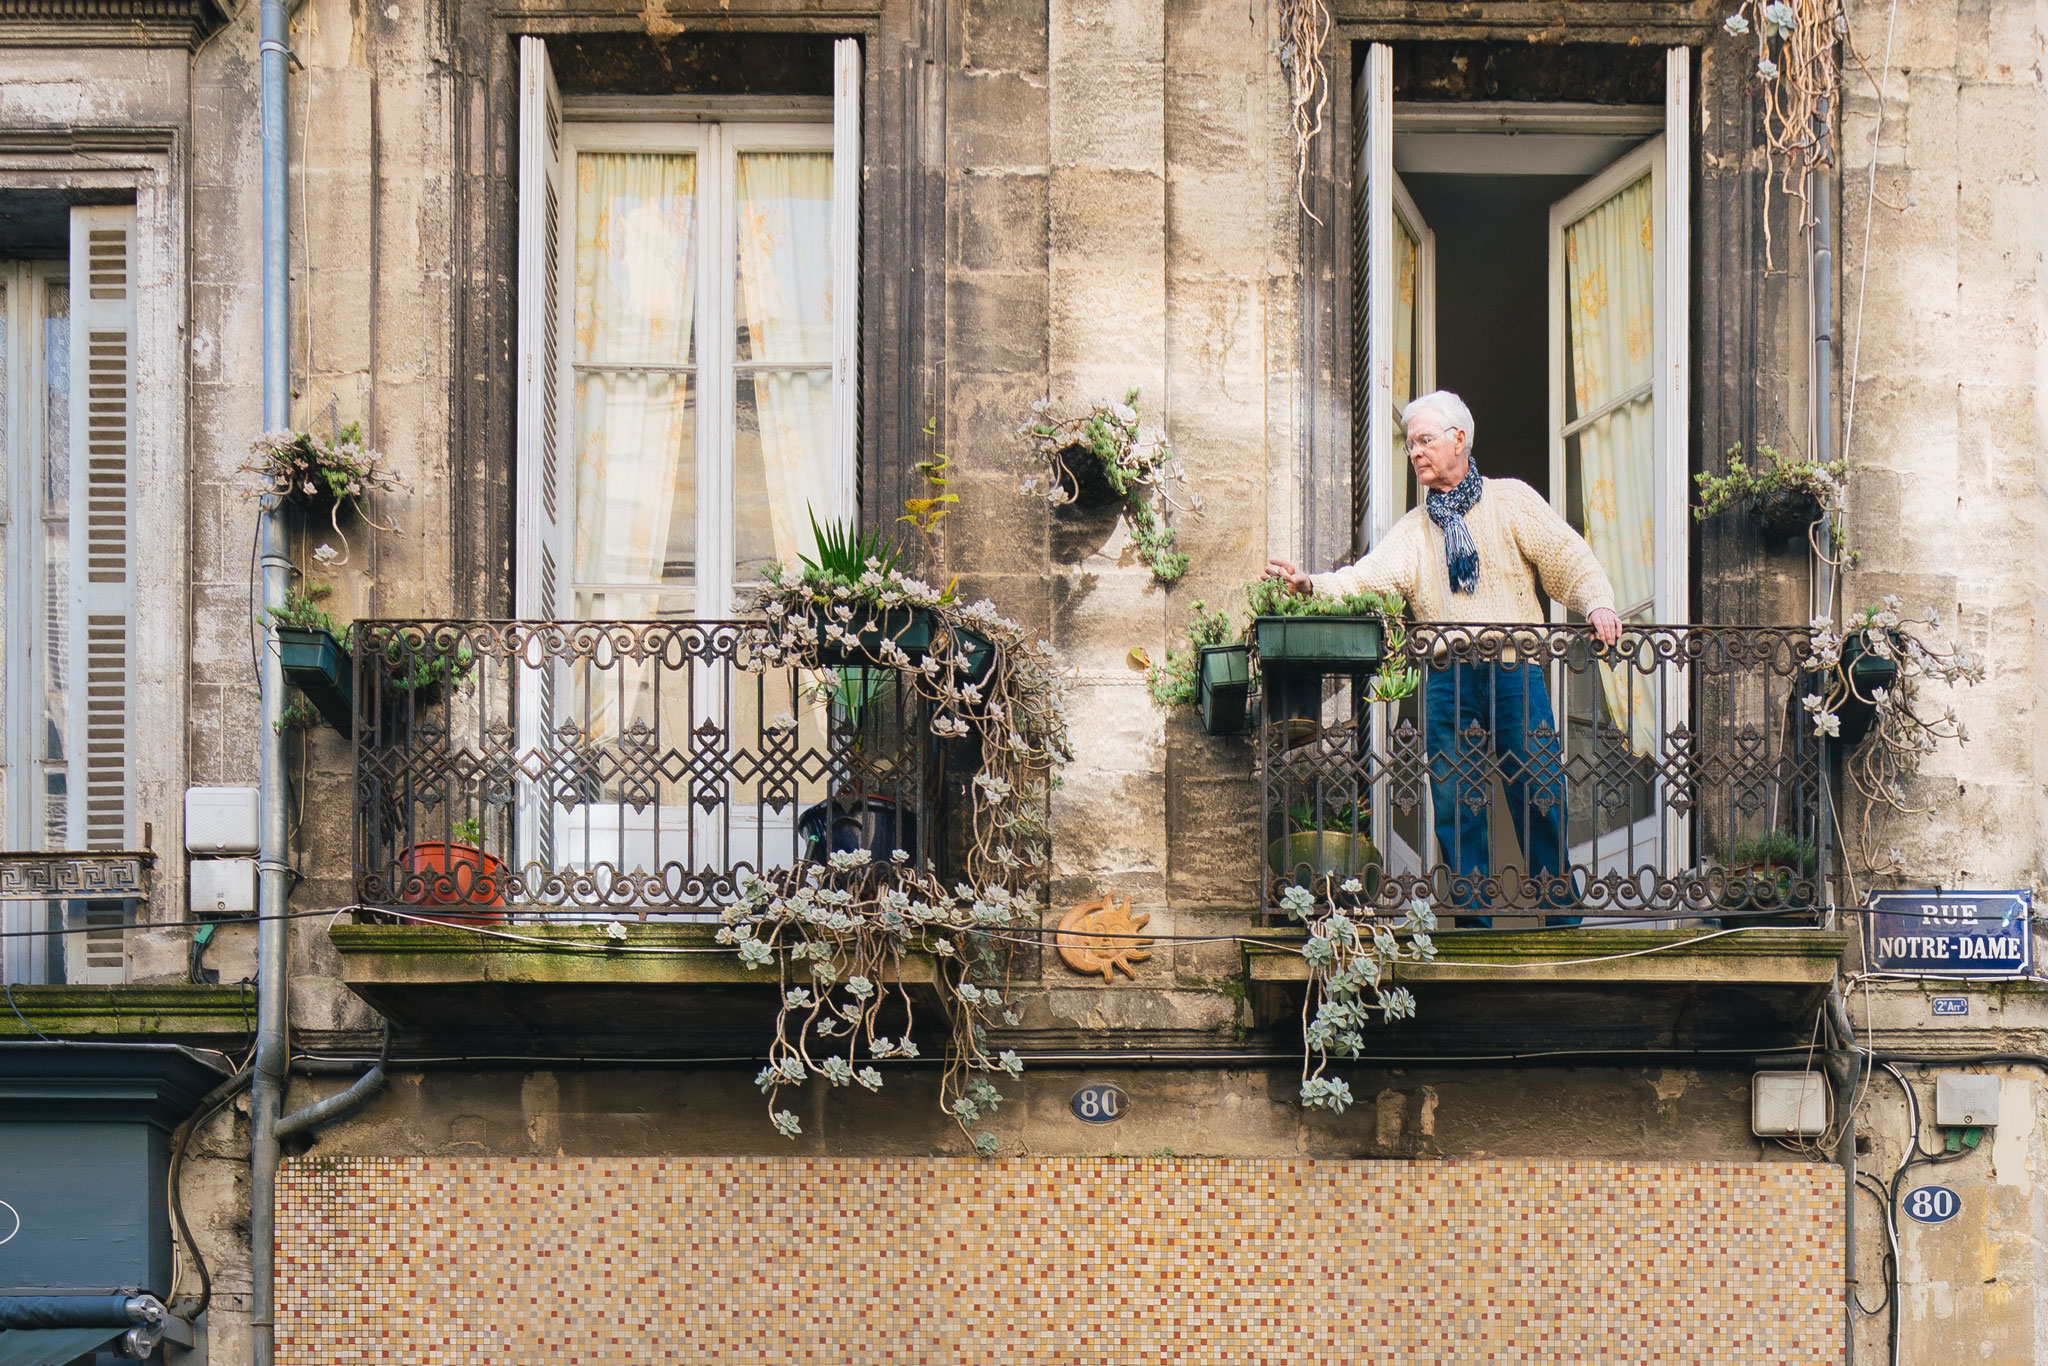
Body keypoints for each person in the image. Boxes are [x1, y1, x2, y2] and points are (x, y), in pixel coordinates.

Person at [1265, 390, 1621, 927]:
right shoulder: (1415, 531)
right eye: (1410, 445)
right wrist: (1311, 584)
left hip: (1512, 668)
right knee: (1457, 804)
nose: (1415, 452)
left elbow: (1568, 556)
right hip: (1445, 677)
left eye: (1425, 440)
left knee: (1540, 790)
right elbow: (1366, 578)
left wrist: (1597, 603)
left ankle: (1561, 913)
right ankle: (1472, 923)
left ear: (1460, 439)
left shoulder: (1511, 501)